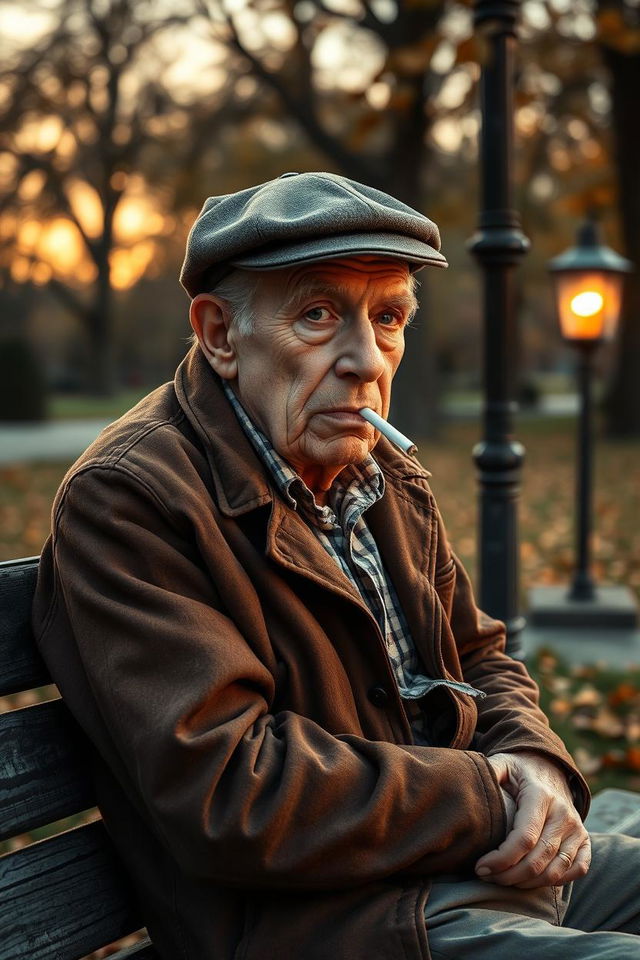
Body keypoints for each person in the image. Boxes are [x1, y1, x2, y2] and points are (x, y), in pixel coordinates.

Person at [33, 172, 640, 960]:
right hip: (330, 924)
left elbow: (482, 654)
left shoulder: (376, 472)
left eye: (388, 317)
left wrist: (534, 763)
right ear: (220, 334)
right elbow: (231, 792)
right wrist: (490, 794)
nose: (365, 360)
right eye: (318, 315)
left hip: (466, 860)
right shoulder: (132, 500)